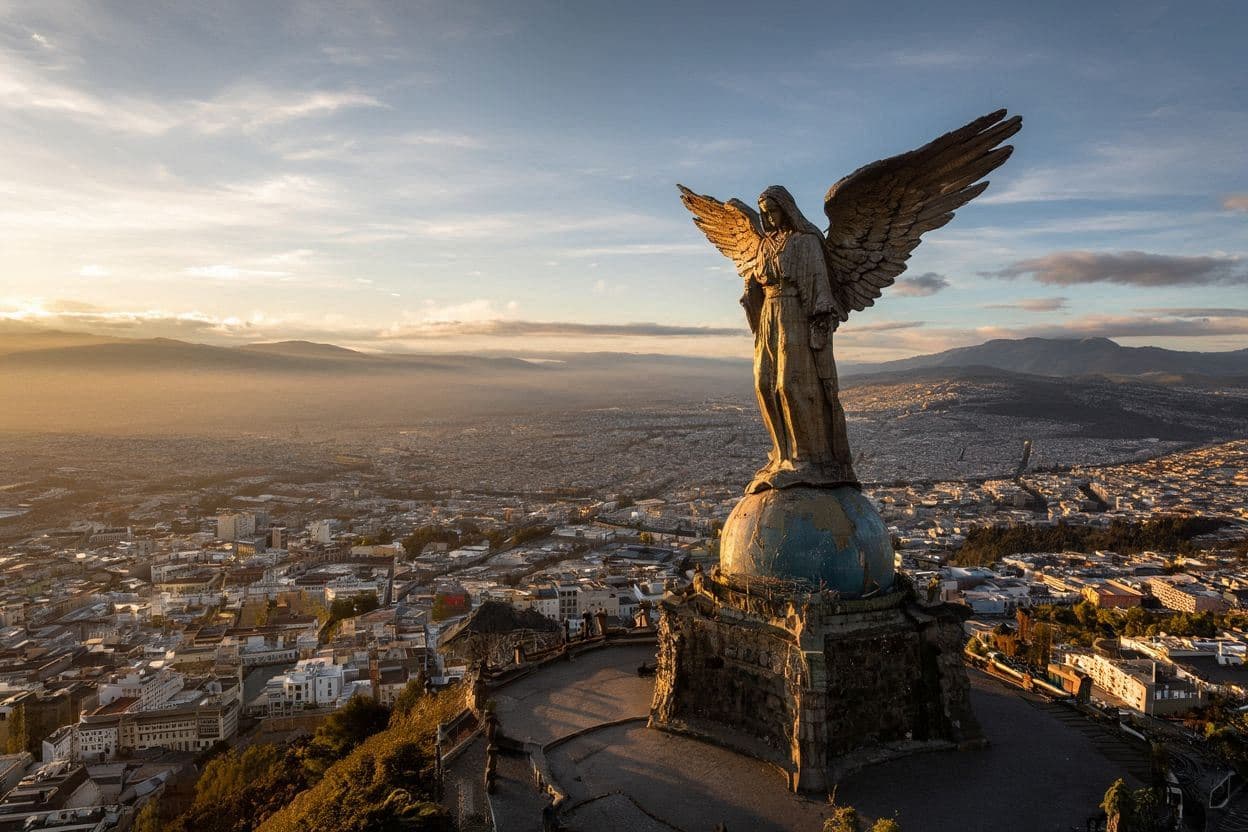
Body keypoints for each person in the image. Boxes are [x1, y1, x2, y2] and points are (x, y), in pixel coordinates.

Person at [741, 185, 856, 493]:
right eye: (764, 213)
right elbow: (756, 278)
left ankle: (806, 459)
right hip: (768, 315)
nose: (769, 217)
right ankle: (782, 455)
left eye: (773, 211)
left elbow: (820, 282)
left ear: (786, 208)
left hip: (795, 314)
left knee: (789, 384)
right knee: (764, 384)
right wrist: (750, 292)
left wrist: (820, 319)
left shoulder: (805, 242)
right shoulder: (765, 245)